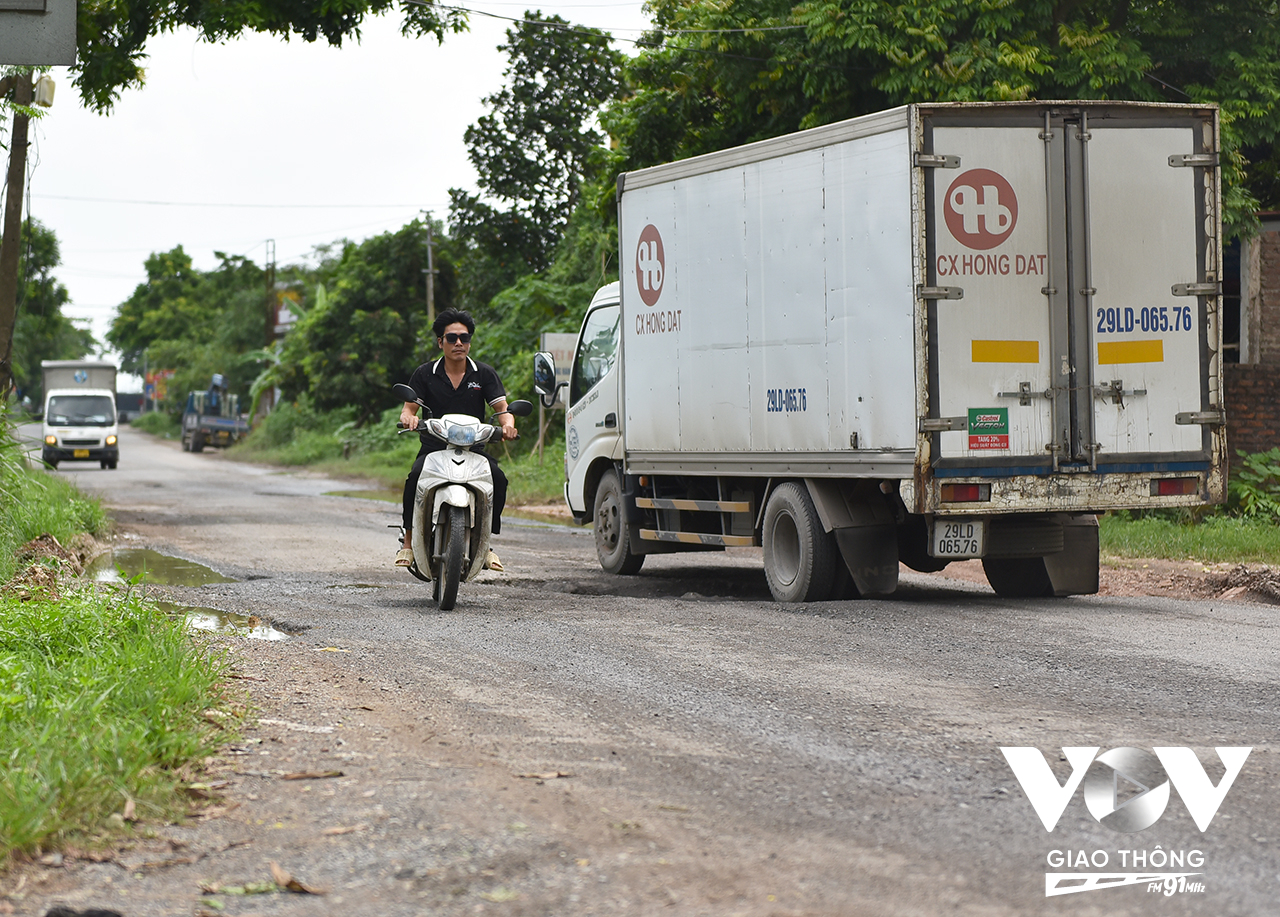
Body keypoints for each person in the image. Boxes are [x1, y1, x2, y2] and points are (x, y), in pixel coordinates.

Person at [397, 309, 518, 570]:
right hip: (434, 448)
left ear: (470, 341)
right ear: (440, 342)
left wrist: (508, 425)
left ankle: (486, 545)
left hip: (473, 449)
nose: (458, 343)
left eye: (464, 337)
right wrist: (409, 418)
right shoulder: (425, 373)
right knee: (414, 478)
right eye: (451, 338)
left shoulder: (483, 374)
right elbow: (409, 409)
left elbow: (503, 410)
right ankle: (407, 543)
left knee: (498, 479)